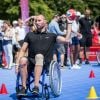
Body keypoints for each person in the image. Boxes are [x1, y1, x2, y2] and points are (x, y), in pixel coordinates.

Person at [15, 15, 68, 96]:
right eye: (36, 21)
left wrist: (70, 24)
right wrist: (17, 64)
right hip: (31, 61)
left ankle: (36, 86)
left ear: (45, 22)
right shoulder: (30, 34)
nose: (36, 22)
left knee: (39, 56)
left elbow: (66, 40)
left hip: (45, 63)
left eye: (39, 20)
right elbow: (22, 50)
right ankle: (23, 88)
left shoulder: (52, 35)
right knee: (22, 60)